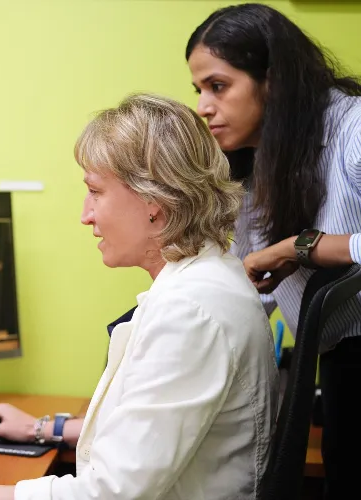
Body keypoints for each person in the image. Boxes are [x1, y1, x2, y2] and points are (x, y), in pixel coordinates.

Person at [0, 94, 279, 499]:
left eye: (95, 191)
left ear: (155, 202)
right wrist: (45, 429)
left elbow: (110, 492)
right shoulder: (211, 276)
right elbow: (156, 429)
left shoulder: (190, 313)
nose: (85, 214)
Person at [185, 4, 361, 498]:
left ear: (274, 81)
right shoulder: (257, 163)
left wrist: (303, 247)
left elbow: (285, 257)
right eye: (198, 89)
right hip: (342, 363)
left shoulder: (353, 131)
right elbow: (251, 291)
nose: (203, 106)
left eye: (217, 86)